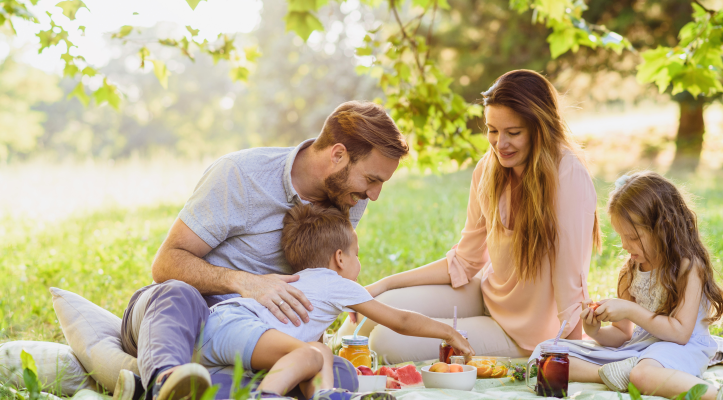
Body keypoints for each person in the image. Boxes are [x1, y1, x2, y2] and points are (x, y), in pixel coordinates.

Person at [115, 101, 410, 400]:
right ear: (337, 155)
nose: (373, 195)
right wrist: (246, 282)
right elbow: (165, 264)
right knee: (177, 292)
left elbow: (315, 285)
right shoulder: (241, 175)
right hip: (180, 322)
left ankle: (203, 390)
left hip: (253, 337)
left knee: (338, 372)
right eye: (371, 180)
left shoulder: (349, 196)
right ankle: (163, 382)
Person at [337, 69, 602, 362]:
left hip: (526, 334)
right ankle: (319, 358)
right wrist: (384, 284)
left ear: (540, 128)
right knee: (377, 306)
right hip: (486, 296)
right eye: (492, 130)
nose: (500, 144)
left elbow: (570, 282)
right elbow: (465, 261)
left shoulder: (568, 175)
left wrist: (571, 359)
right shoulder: (488, 169)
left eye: (513, 133)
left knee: (387, 342)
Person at [192, 203, 473, 399]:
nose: (359, 262)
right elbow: (401, 321)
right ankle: (269, 396)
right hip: (237, 326)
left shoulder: (305, 280)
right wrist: (448, 332)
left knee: (320, 352)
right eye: (357, 254)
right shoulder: (335, 284)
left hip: (214, 330)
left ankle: (324, 396)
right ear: (340, 258)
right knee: (311, 354)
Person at [530, 171, 723, 399]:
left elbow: (680, 333)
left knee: (643, 375)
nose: (624, 245)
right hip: (639, 348)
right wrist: (596, 331)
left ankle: (707, 394)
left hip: (682, 347)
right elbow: (623, 335)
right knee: (545, 353)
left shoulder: (688, 267)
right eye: (621, 236)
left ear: (663, 228)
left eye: (632, 237)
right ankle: (606, 373)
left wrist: (630, 310)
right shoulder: (630, 270)